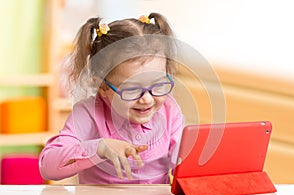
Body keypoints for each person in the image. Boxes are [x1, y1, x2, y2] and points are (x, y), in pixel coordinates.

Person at [39, 12, 185, 184]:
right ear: (102, 86)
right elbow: (47, 166)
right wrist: (99, 148)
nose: (147, 99)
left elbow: (183, 162)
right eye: (132, 89)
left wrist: (185, 162)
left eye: (158, 85)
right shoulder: (89, 113)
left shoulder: (169, 110)